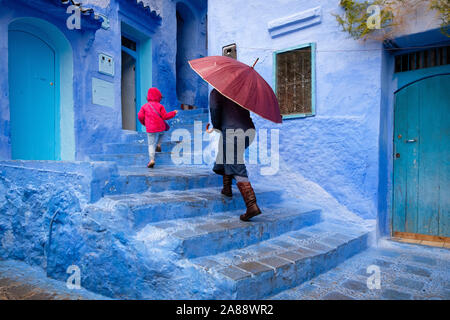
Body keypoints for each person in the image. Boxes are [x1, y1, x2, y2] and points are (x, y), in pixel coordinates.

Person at [209, 88, 261, 221]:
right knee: (226, 150)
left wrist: (216, 126)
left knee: (235, 162)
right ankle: (227, 188)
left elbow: (215, 109)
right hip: (249, 130)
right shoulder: (240, 91)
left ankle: (251, 205)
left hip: (233, 130)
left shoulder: (216, 91)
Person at [138, 88, 178, 168]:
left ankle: (152, 160)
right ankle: (159, 144)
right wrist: (173, 113)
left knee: (151, 144)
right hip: (160, 127)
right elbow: (165, 116)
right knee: (162, 133)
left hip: (150, 128)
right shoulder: (160, 106)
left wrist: (144, 123)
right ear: (158, 96)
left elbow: (140, 116)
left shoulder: (144, 107)